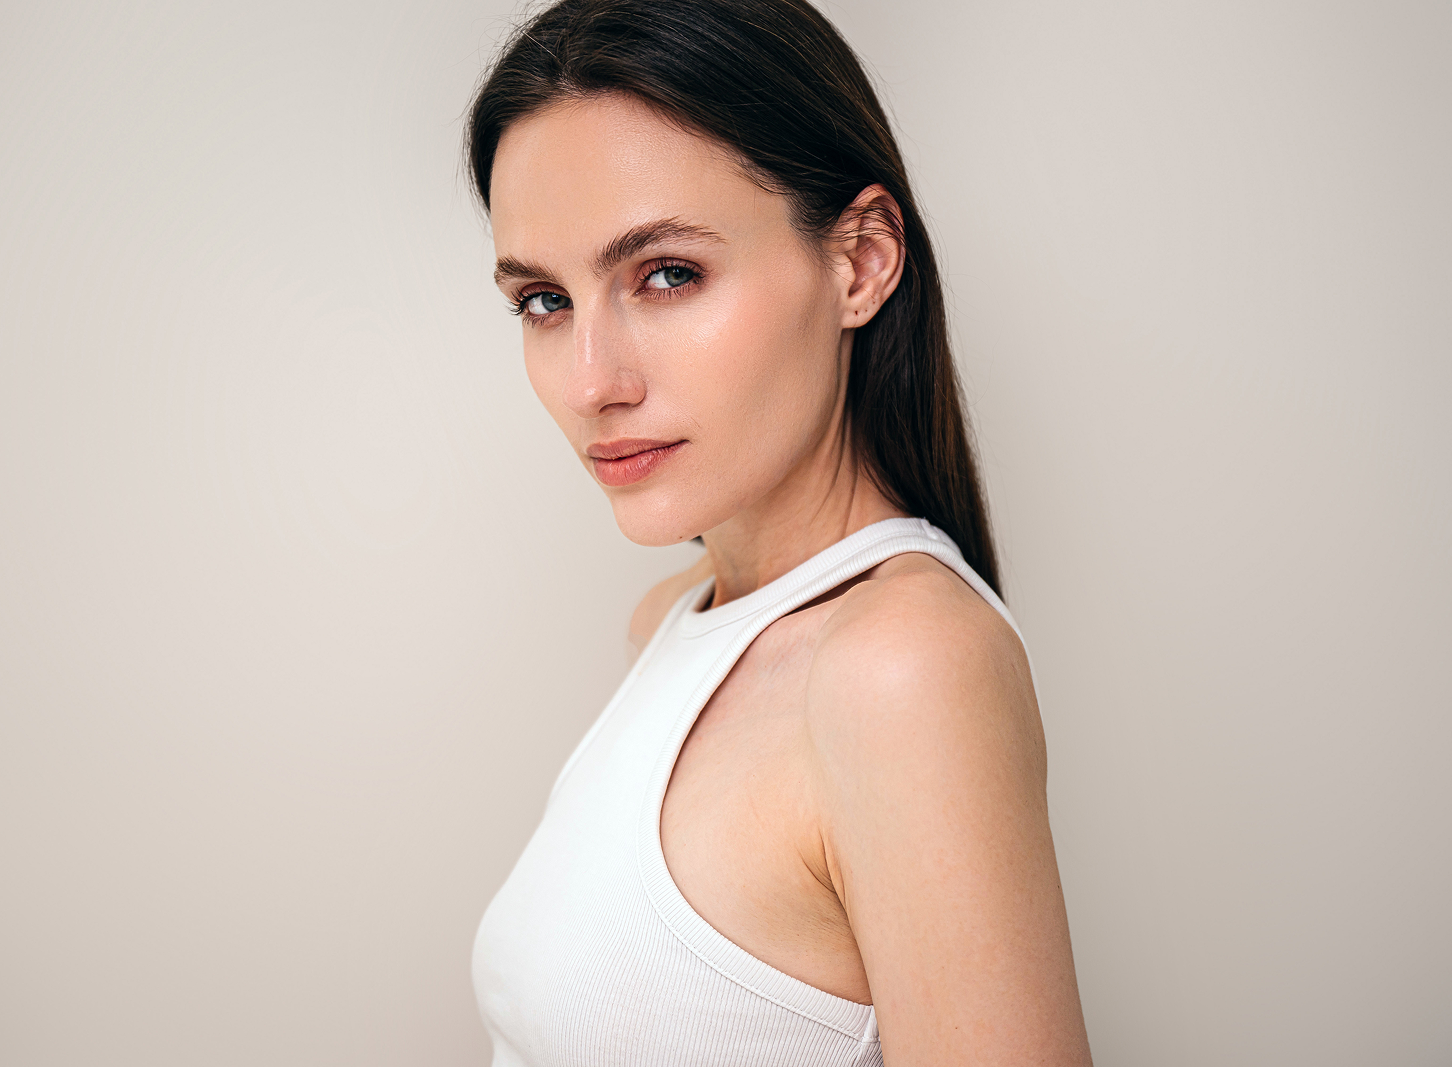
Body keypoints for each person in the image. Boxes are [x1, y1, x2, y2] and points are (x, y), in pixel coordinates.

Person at [466, 1, 1091, 1063]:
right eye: (542, 300)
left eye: (666, 274)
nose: (590, 384)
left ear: (858, 261)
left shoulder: (903, 669)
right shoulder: (671, 620)